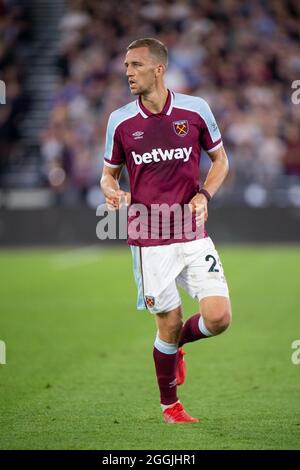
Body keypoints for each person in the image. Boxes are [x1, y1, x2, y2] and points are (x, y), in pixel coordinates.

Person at [100, 38, 232, 424]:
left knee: (220, 317)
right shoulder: (120, 121)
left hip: (193, 230)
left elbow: (220, 159)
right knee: (168, 322)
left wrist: (206, 193)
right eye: (126, 65)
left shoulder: (195, 110)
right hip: (149, 236)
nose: (128, 72)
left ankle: (176, 349)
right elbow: (107, 175)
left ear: (158, 69)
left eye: (136, 65)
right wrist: (112, 192)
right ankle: (169, 406)